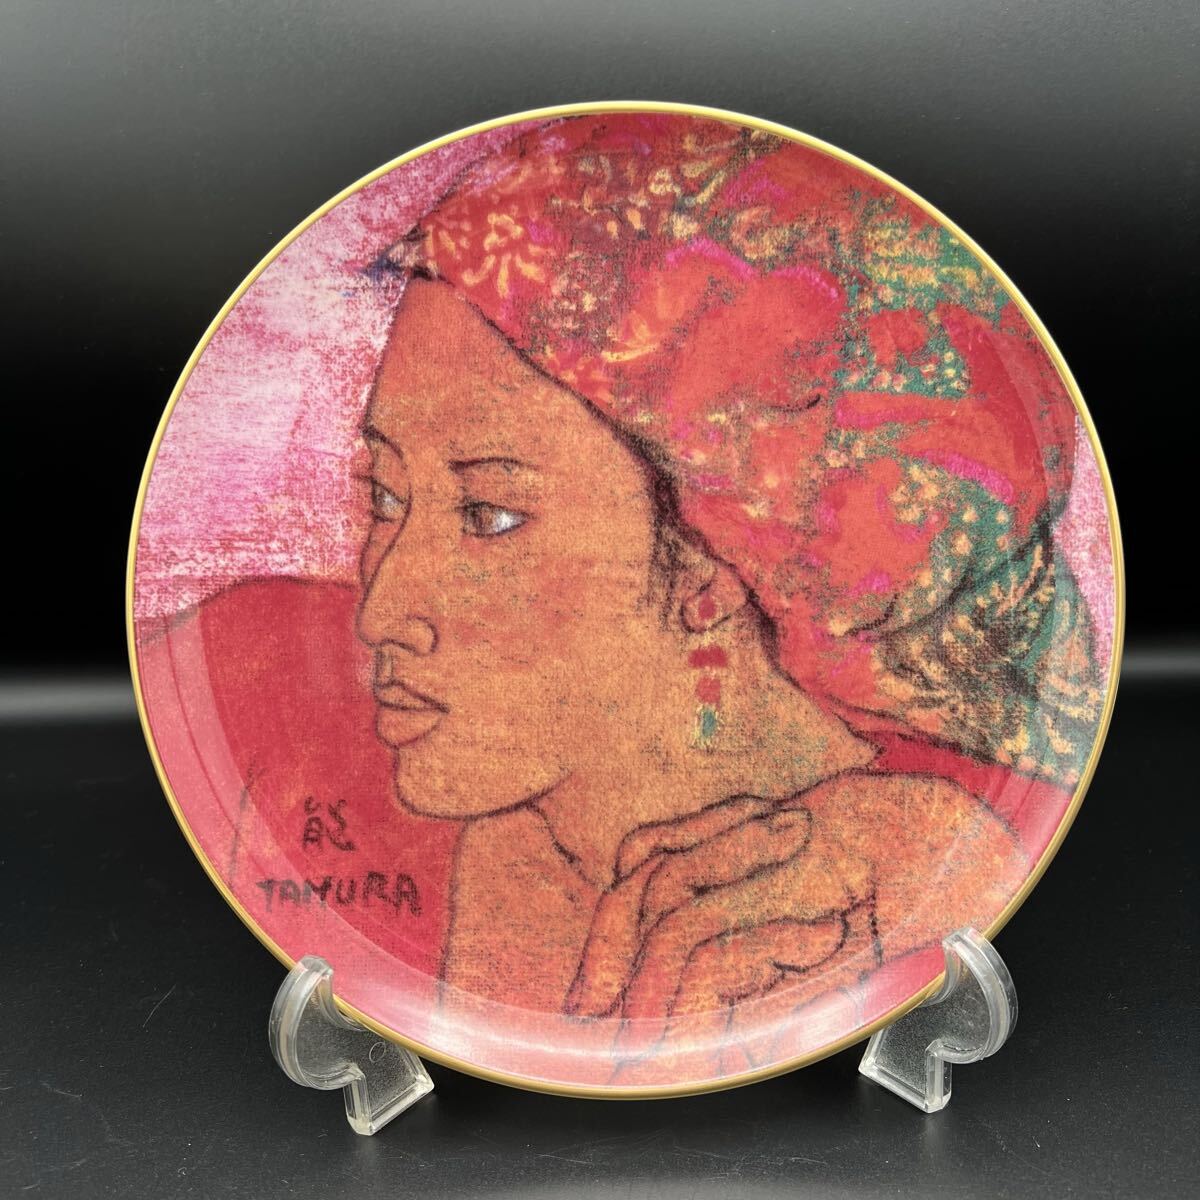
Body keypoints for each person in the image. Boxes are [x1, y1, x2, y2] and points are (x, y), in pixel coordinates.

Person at [135, 112, 1104, 1088]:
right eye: (385, 497)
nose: (381, 613)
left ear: (711, 566)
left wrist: (946, 872)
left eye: (489, 516)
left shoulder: (928, 871)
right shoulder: (255, 692)